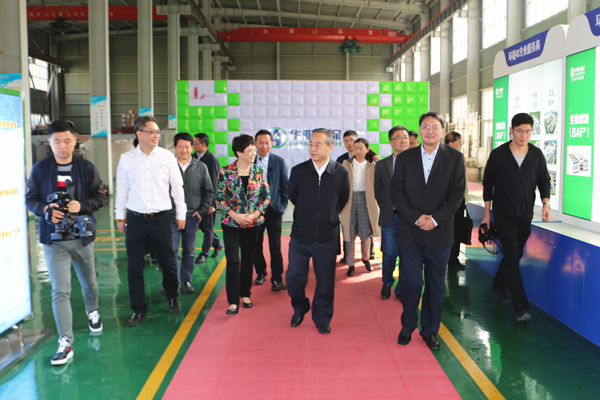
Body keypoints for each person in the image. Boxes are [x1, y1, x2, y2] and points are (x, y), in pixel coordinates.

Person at [25, 120, 105, 366]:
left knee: (89, 282)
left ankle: (92, 310)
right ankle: (65, 342)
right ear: (49, 142)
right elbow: (30, 199)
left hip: (82, 237)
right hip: (54, 239)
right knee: (60, 290)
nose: (62, 146)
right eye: (57, 141)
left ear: (75, 140)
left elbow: (99, 197)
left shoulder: (87, 168)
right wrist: (45, 210)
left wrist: (82, 205)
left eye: (67, 140)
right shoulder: (39, 170)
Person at [391, 112, 465, 350]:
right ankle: (407, 324)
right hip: (411, 231)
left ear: (443, 130)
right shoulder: (405, 158)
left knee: (435, 285)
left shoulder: (455, 158)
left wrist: (435, 219)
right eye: (425, 126)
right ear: (419, 129)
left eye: (435, 127)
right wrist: (416, 217)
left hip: (439, 232)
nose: (430, 131)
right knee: (411, 281)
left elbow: (457, 194)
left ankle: (430, 331)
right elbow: (397, 193)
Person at [115, 115, 186, 327]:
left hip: (161, 219)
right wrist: (120, 216)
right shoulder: (127, 159)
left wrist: (181, 214)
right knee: (134, 267)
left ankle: (172, 296)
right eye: (151, 132)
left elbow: (177, 187)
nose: (156, 135)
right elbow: (122, 190)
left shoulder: (166, 157)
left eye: (157, 132)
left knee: (168, 262)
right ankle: (138, 310)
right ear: (139, 134)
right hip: (135, 221)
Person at [482, 113, 551, 322]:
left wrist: (546, 204)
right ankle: (521, 307)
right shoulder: (499, 154)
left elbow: (544, 180)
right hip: (504, 215)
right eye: (519, 131)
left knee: (515, 253)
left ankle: (498, 285)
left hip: (525, 215)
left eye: (528, 131)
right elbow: (488, 185)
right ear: (511, 131)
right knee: (512, 256)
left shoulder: (536, 154)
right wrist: (487, 214)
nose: (524, 135)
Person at [286, 128, 351, 335]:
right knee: (294, 278)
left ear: (330, 147)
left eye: (318, 144)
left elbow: (342, 200)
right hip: (300, 237)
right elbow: (293, 196)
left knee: (325, 282)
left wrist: (328, 217)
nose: (312, 148)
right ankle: (300, 307)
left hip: (327, 238)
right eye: (311, 144)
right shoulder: (298, 171)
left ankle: (322, 317)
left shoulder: (340, 172)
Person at [216, 134, 270, 315]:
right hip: (232, 224)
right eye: (250, 150)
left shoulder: (258, 171)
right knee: (233, 260)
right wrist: (234, 215)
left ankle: (245, 293)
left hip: (253, 225)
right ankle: (232, 300)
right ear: (239, 153)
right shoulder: (225, 172)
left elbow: (266, 197)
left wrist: (255, 214)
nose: (254, 153)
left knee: (248, 260)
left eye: (254, 150)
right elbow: (220, 198)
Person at [170, 132, 214, 294]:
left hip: (192, 217)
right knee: (172, 251)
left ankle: (186, 281)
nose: (184, 150)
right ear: (174, 147)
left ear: (192, 148)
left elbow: (209, 191)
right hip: (171, 217)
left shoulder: (201, 167)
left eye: (187, 147)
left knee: (189, 252)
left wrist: (201, 212)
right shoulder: (167, 166)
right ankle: (172, 283)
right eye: (180, 147)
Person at [374, 126, 410, 301]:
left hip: (410, 218)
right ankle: (387, 282)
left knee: (406, 254)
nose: (403, 140)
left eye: (405, 137)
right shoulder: (382, 165)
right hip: (390, 216)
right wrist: (388, 206)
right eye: (398, 137)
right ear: (391, 142)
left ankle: (401, 288)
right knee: (389, 253)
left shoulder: (416, 163)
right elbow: (378, 190)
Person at [252, 130, 289, 291]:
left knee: (275, 246)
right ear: (255, 143)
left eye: (267, 142)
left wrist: (282, 206)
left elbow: (285, 186)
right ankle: (261, 272)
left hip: (274, 210)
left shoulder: (278, 161)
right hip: (254, 212)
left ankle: (277, 279)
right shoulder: (250, 160)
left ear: (272, 143)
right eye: (260, 142)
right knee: (256, 244)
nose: (264, 146)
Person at [340, 138, 380, 277]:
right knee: (349, 234)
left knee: (365, 233)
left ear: (367, 149)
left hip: (365, 200)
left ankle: (366, 259)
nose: (358, 150)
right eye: (355, 148)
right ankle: (350, 263)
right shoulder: (346, 164)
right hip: (349, 201)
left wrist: (377, 158)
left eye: (361, 147)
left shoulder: (373, 166)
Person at [193, 133, 224, 263]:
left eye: (195, 143)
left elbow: (214, 184)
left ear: (204, 145)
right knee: (201, 225)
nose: (193, 146)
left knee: (208, 227)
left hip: (207, 200)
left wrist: (211, 204)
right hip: (195, 200)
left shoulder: (212, 160)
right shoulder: (193, 157)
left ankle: (204, 253)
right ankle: (217, 244)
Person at [445, 131, 469, 270]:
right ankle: (447, 258)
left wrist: (465, 199)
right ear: (451, 143)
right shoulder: (442, 157)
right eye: (459, 142)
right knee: (447, 230)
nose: (461, 145)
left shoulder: (460, 157)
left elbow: (464, 181)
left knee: (457, 229)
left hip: (458, 200)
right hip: (446, 201)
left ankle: (453, 259)